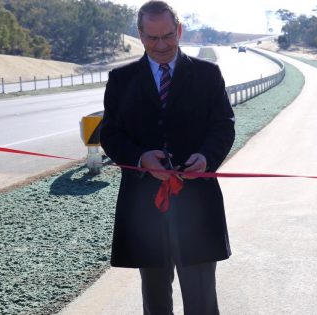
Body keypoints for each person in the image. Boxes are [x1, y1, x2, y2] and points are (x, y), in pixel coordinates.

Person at [100, 1, 235, 314]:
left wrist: (206, 157)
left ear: (180, 30)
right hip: (145, 208)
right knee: (156, 300)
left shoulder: (208, 74)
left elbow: (223, 126)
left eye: (168, 37)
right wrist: (140, 157)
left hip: (198, 206)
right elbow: (110, 134)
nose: (161, 46)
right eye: (152, 38)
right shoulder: (121, 79)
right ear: (140, 35)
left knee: (202, 302)